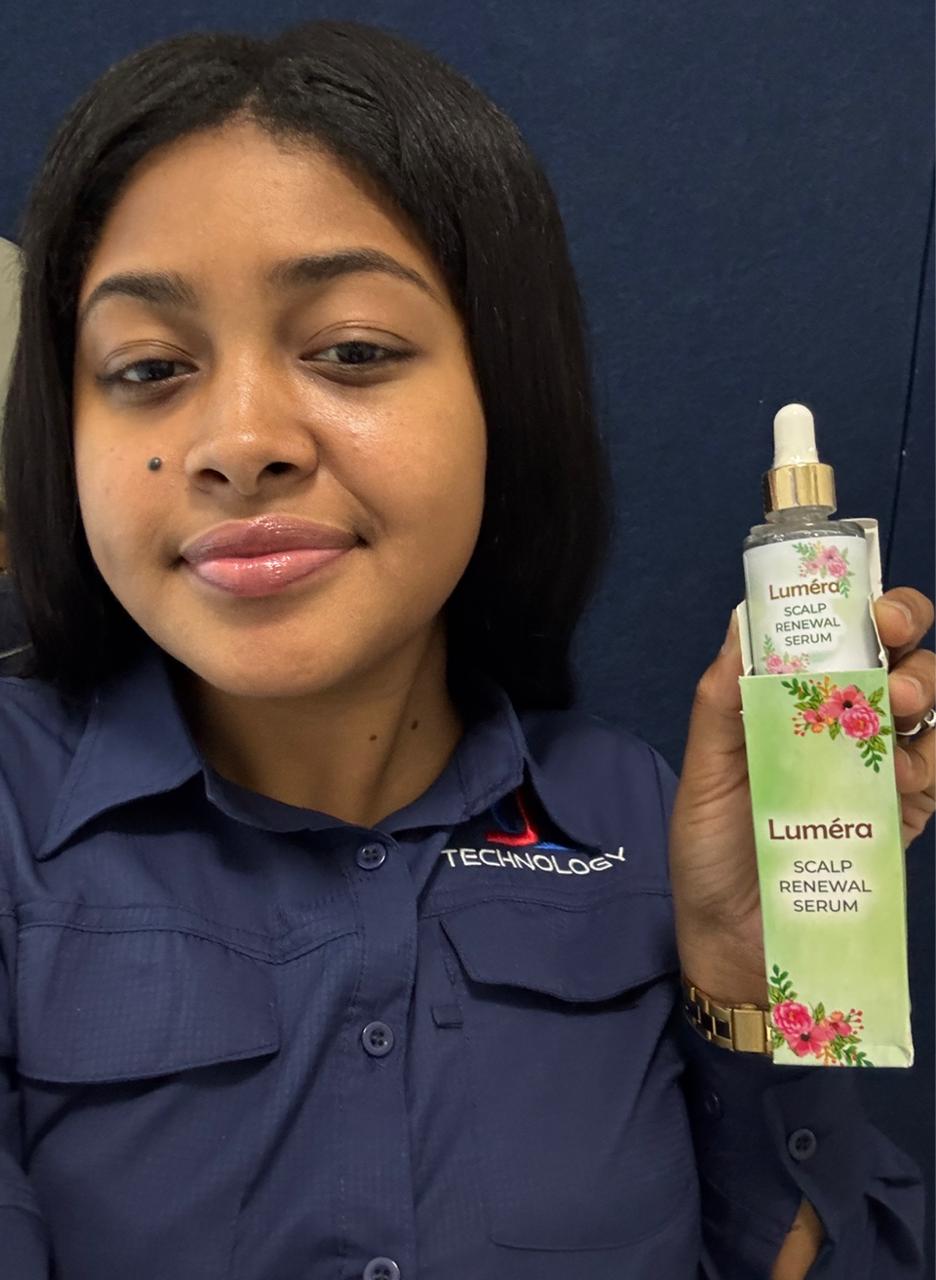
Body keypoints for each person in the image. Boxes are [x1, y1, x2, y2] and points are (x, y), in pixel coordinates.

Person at [0, 21, 932, 1280]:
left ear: (504, 393)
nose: (239, 442)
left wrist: (758, 976)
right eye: (151, 365)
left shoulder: (637, 817)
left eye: (352, 350)